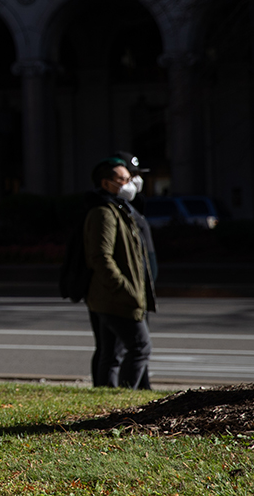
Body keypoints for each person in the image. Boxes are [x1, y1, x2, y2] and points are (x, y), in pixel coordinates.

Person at [85, 152, 158, 389]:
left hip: (121, 296)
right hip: (118, 297)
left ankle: (109, 400)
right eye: (125, 179)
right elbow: (101, 258)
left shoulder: (120, 209)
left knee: (112, 352)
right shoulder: (105, 212)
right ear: (107, 183)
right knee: (139, 348)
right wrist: (127, 290)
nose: (131, 183)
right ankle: (124, 402)